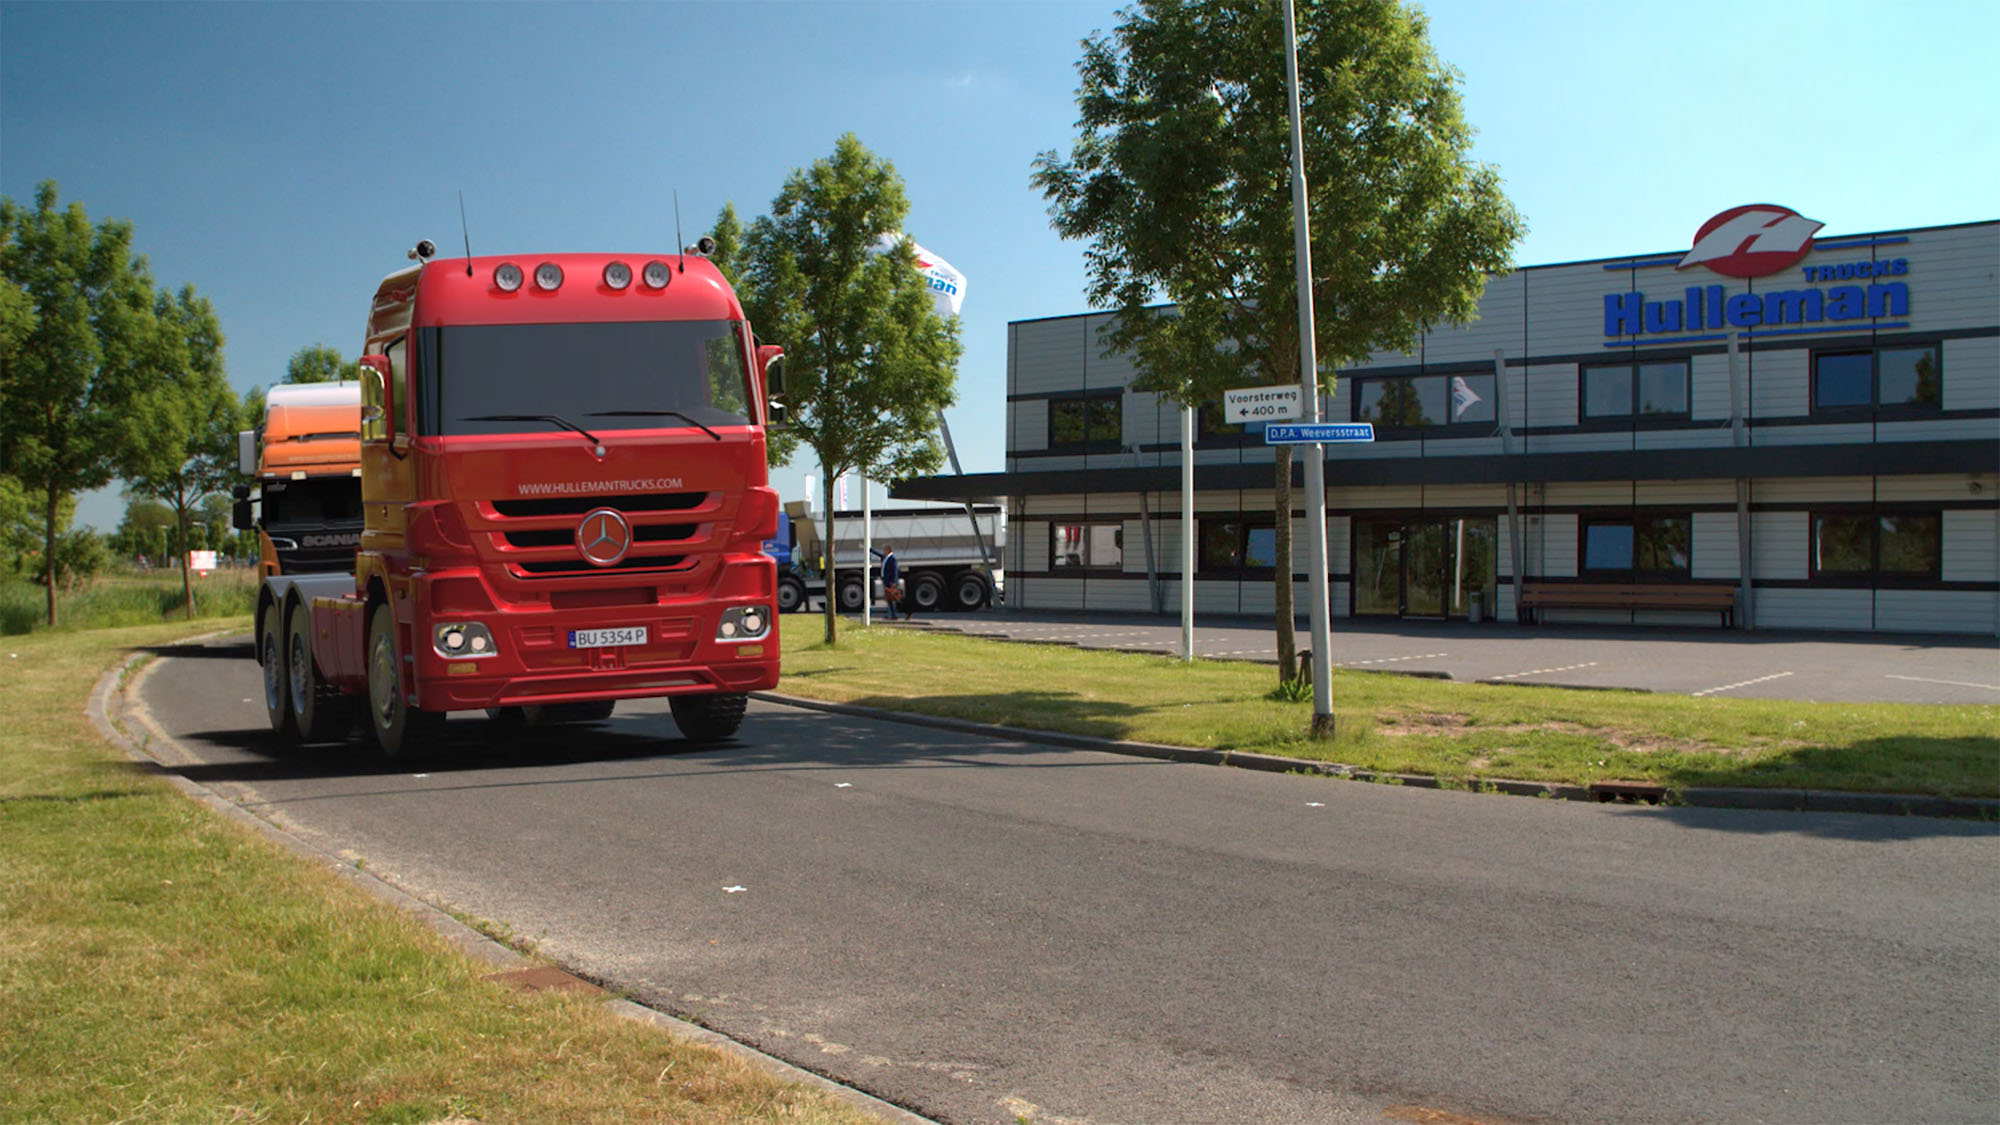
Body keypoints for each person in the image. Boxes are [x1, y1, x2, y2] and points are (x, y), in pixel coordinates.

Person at [877, 544, 907, 620]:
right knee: (889, 598)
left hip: (890, 582)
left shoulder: (892, 559)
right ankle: (891, 614)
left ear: (888, 551)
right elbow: (878, 554)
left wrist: (893, 581)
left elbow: (894, 571)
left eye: (884, 550)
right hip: (886, 581)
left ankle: (894, 615)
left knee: (892, 598)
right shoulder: (885, 558)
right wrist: (869, 549)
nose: (883, 551)